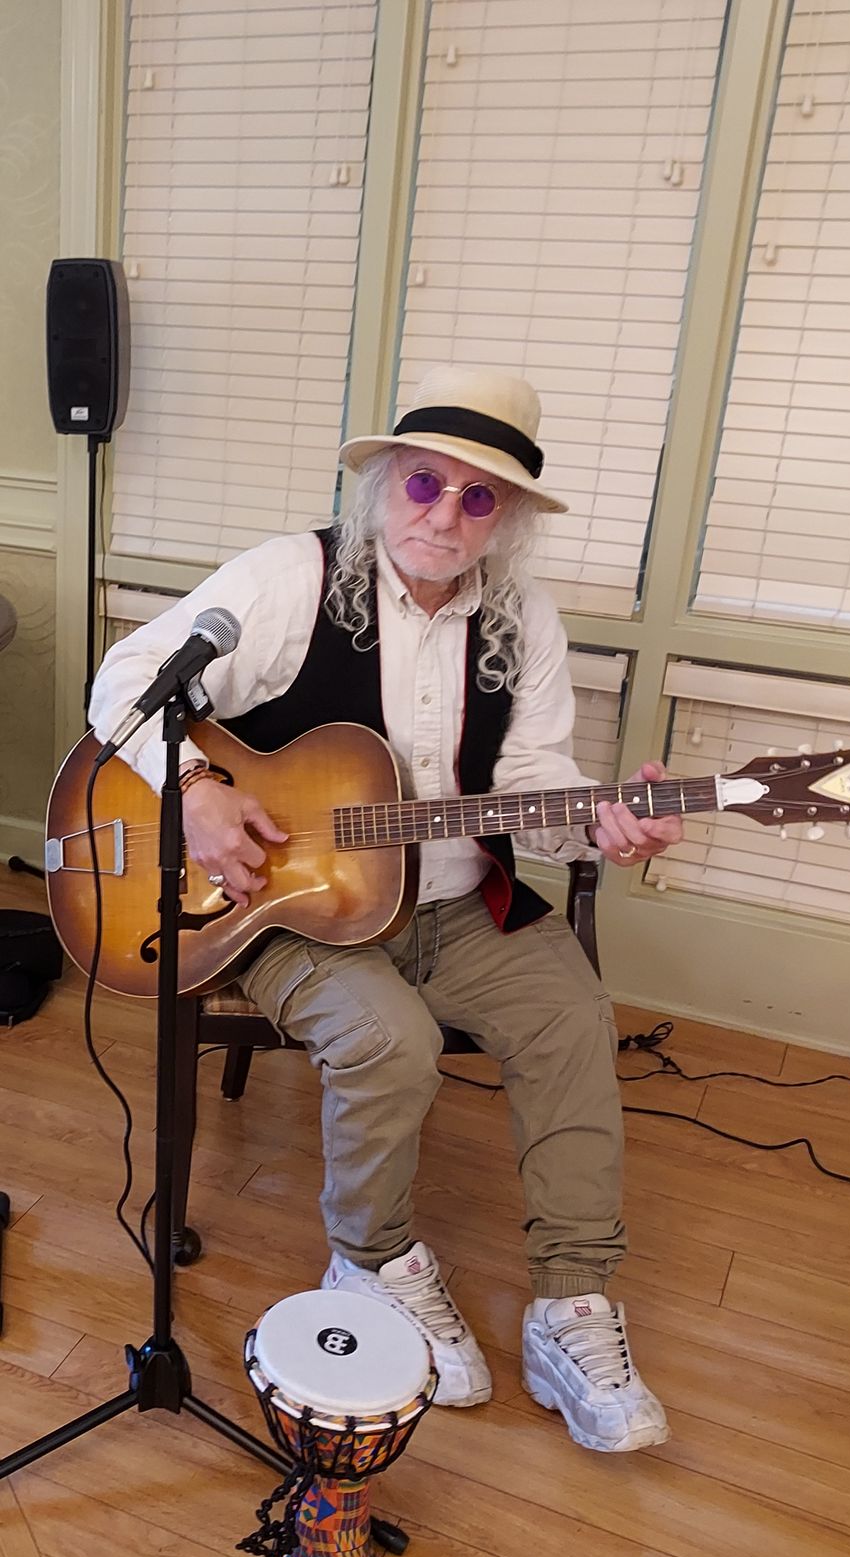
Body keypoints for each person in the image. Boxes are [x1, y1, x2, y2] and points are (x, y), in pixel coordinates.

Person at [89, 366, 682, 1455]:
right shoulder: (290, 578)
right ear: (381, 481)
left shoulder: (524, 621)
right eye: (423, 483)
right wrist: (199, 791)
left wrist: (601, 825)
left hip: (456, 903)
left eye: (477, 497)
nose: (444, 517)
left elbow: (532, 784)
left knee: (572, 1018)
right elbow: (126, 682)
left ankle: (571, 1304)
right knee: (388, 1042)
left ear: (506, 518)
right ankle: (370, 1261)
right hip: (284, 907)